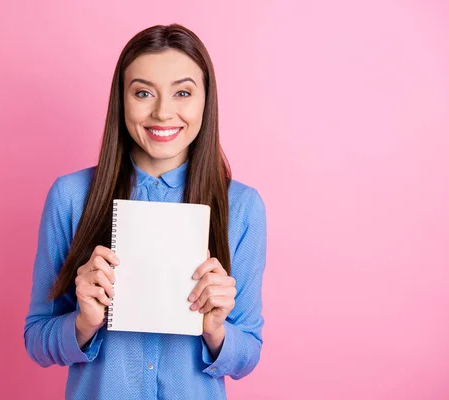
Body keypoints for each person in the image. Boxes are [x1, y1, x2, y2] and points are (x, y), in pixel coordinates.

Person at [23, 23, 267, 400]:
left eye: (182, 92)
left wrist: (216, 329)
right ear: (122, 100)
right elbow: (37, 339)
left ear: (206, 100)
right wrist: (84, 322)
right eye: (143, 93)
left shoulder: (243, 207)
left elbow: (247, 354)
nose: (163, 112)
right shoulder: (70, 197)